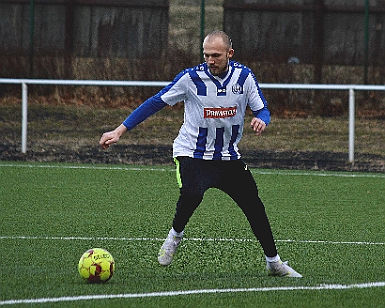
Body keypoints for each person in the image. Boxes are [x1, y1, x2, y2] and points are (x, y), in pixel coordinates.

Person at [99, 30, 302, 277]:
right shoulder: (190, 78)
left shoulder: (244, 77)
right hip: (192, 154)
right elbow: (155, 102)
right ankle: (174, 237)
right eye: (206, 55)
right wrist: (120, 131)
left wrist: (262, 119)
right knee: (193, 192)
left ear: (230, 53)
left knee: (254, 205)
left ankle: (274, 263)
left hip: (228, 157)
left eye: (216, 55)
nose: (210, 60)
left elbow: (263, 109)